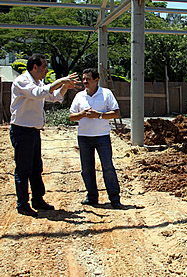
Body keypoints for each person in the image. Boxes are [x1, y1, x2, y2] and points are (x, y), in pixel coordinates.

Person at [10, 53, 80, 217]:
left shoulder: (38, 82)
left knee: (36, 168)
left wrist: (64, 87)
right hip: (22, 130)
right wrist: (60, 81)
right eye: (44, 67)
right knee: (23, 169)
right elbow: (38, 94)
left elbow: (53, 97)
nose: (46, 70)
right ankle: (22, 204)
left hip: (33, 131)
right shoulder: (22, 82)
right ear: (34, 67)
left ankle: (37, 199)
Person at [69, 68, 124, 209]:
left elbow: (116, 113)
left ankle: (114, 199)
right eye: (83, 79)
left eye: (88, 79)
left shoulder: (106, 94)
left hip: (102, 137)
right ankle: (92, 197)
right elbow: (71, 117)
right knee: (86, 169)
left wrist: (99, 115)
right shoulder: (79, 96)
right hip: (84, 137)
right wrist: (82, 114)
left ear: (96, 80)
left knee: (108, 168)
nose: (85, 81)